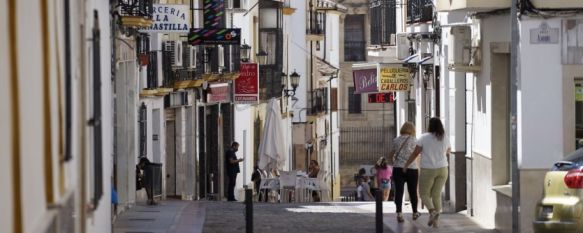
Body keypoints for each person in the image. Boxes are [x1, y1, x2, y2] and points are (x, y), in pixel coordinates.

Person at [404, 118, 451, 228]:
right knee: (436, 194)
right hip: (443, 169)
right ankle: (435, 222)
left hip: (428, 169)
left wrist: (406, 165)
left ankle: (432, 212)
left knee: (423, 194)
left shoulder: (424, 138)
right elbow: (448, 151)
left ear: (430, 126)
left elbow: (416, 153)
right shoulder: (444, 137)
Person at [389, 122, 420, 223]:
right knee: (413, 191)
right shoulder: (415, 140)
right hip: (412, 168)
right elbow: (417, 154)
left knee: (399, 191)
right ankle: (415, 212)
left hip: (398, 168)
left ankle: (399, 213)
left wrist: (395, 162)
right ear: (412, 130)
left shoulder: (396, 140)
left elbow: (391, 154)